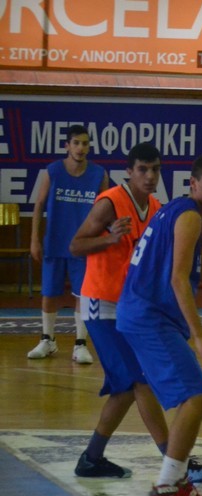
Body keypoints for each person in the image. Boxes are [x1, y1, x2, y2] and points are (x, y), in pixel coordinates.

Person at [116, 153, 202, 496]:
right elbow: (177, 279)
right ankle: (166, 487)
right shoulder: (189, 215)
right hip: (149, 316)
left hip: (139, 312)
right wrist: (200, 336)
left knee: (180, 394)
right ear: (193, 184)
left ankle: (177, 482)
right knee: (196, 395)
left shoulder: (173, 210)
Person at [67, 143, 169, 478]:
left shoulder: (156, 207)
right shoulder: (110, 201)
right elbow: (76, 245)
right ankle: (176, 461)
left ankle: (92, 457)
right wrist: (109, 239)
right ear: (129, 171)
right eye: (143, 169)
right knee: (141, 380)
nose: (150, 176)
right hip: (101, 301)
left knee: (126, 388)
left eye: (155, 169)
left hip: (130, 306)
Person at [28, 124, 109, 363]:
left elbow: (105, 210)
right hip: (55, 242)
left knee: (83, 294)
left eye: (85, 143)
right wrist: (34, 239)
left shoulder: (99, 174)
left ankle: (80, 344)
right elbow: (39, 206)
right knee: (49, 292)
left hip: (83, 245)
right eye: (76, 143)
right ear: (67, 146)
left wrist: (101, 241)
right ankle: (47, 340)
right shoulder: (53, 171)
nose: (81, 148)